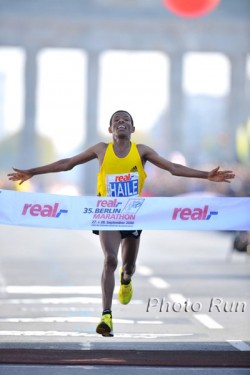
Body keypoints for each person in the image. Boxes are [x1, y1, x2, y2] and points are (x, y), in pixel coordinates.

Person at [8, 110, 235, 337]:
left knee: (128, 267)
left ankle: (126, 280)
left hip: (132, 215)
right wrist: (32, 172)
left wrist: (206, 176)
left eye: (126, 120)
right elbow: (68, 163)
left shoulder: (142, 151)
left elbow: (173, 168)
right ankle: (106, 315)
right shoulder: (101, 150)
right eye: (116, 120)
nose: (121, 123)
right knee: (110, 259)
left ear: (132, 129)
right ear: (110, 129)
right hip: (106, 214)